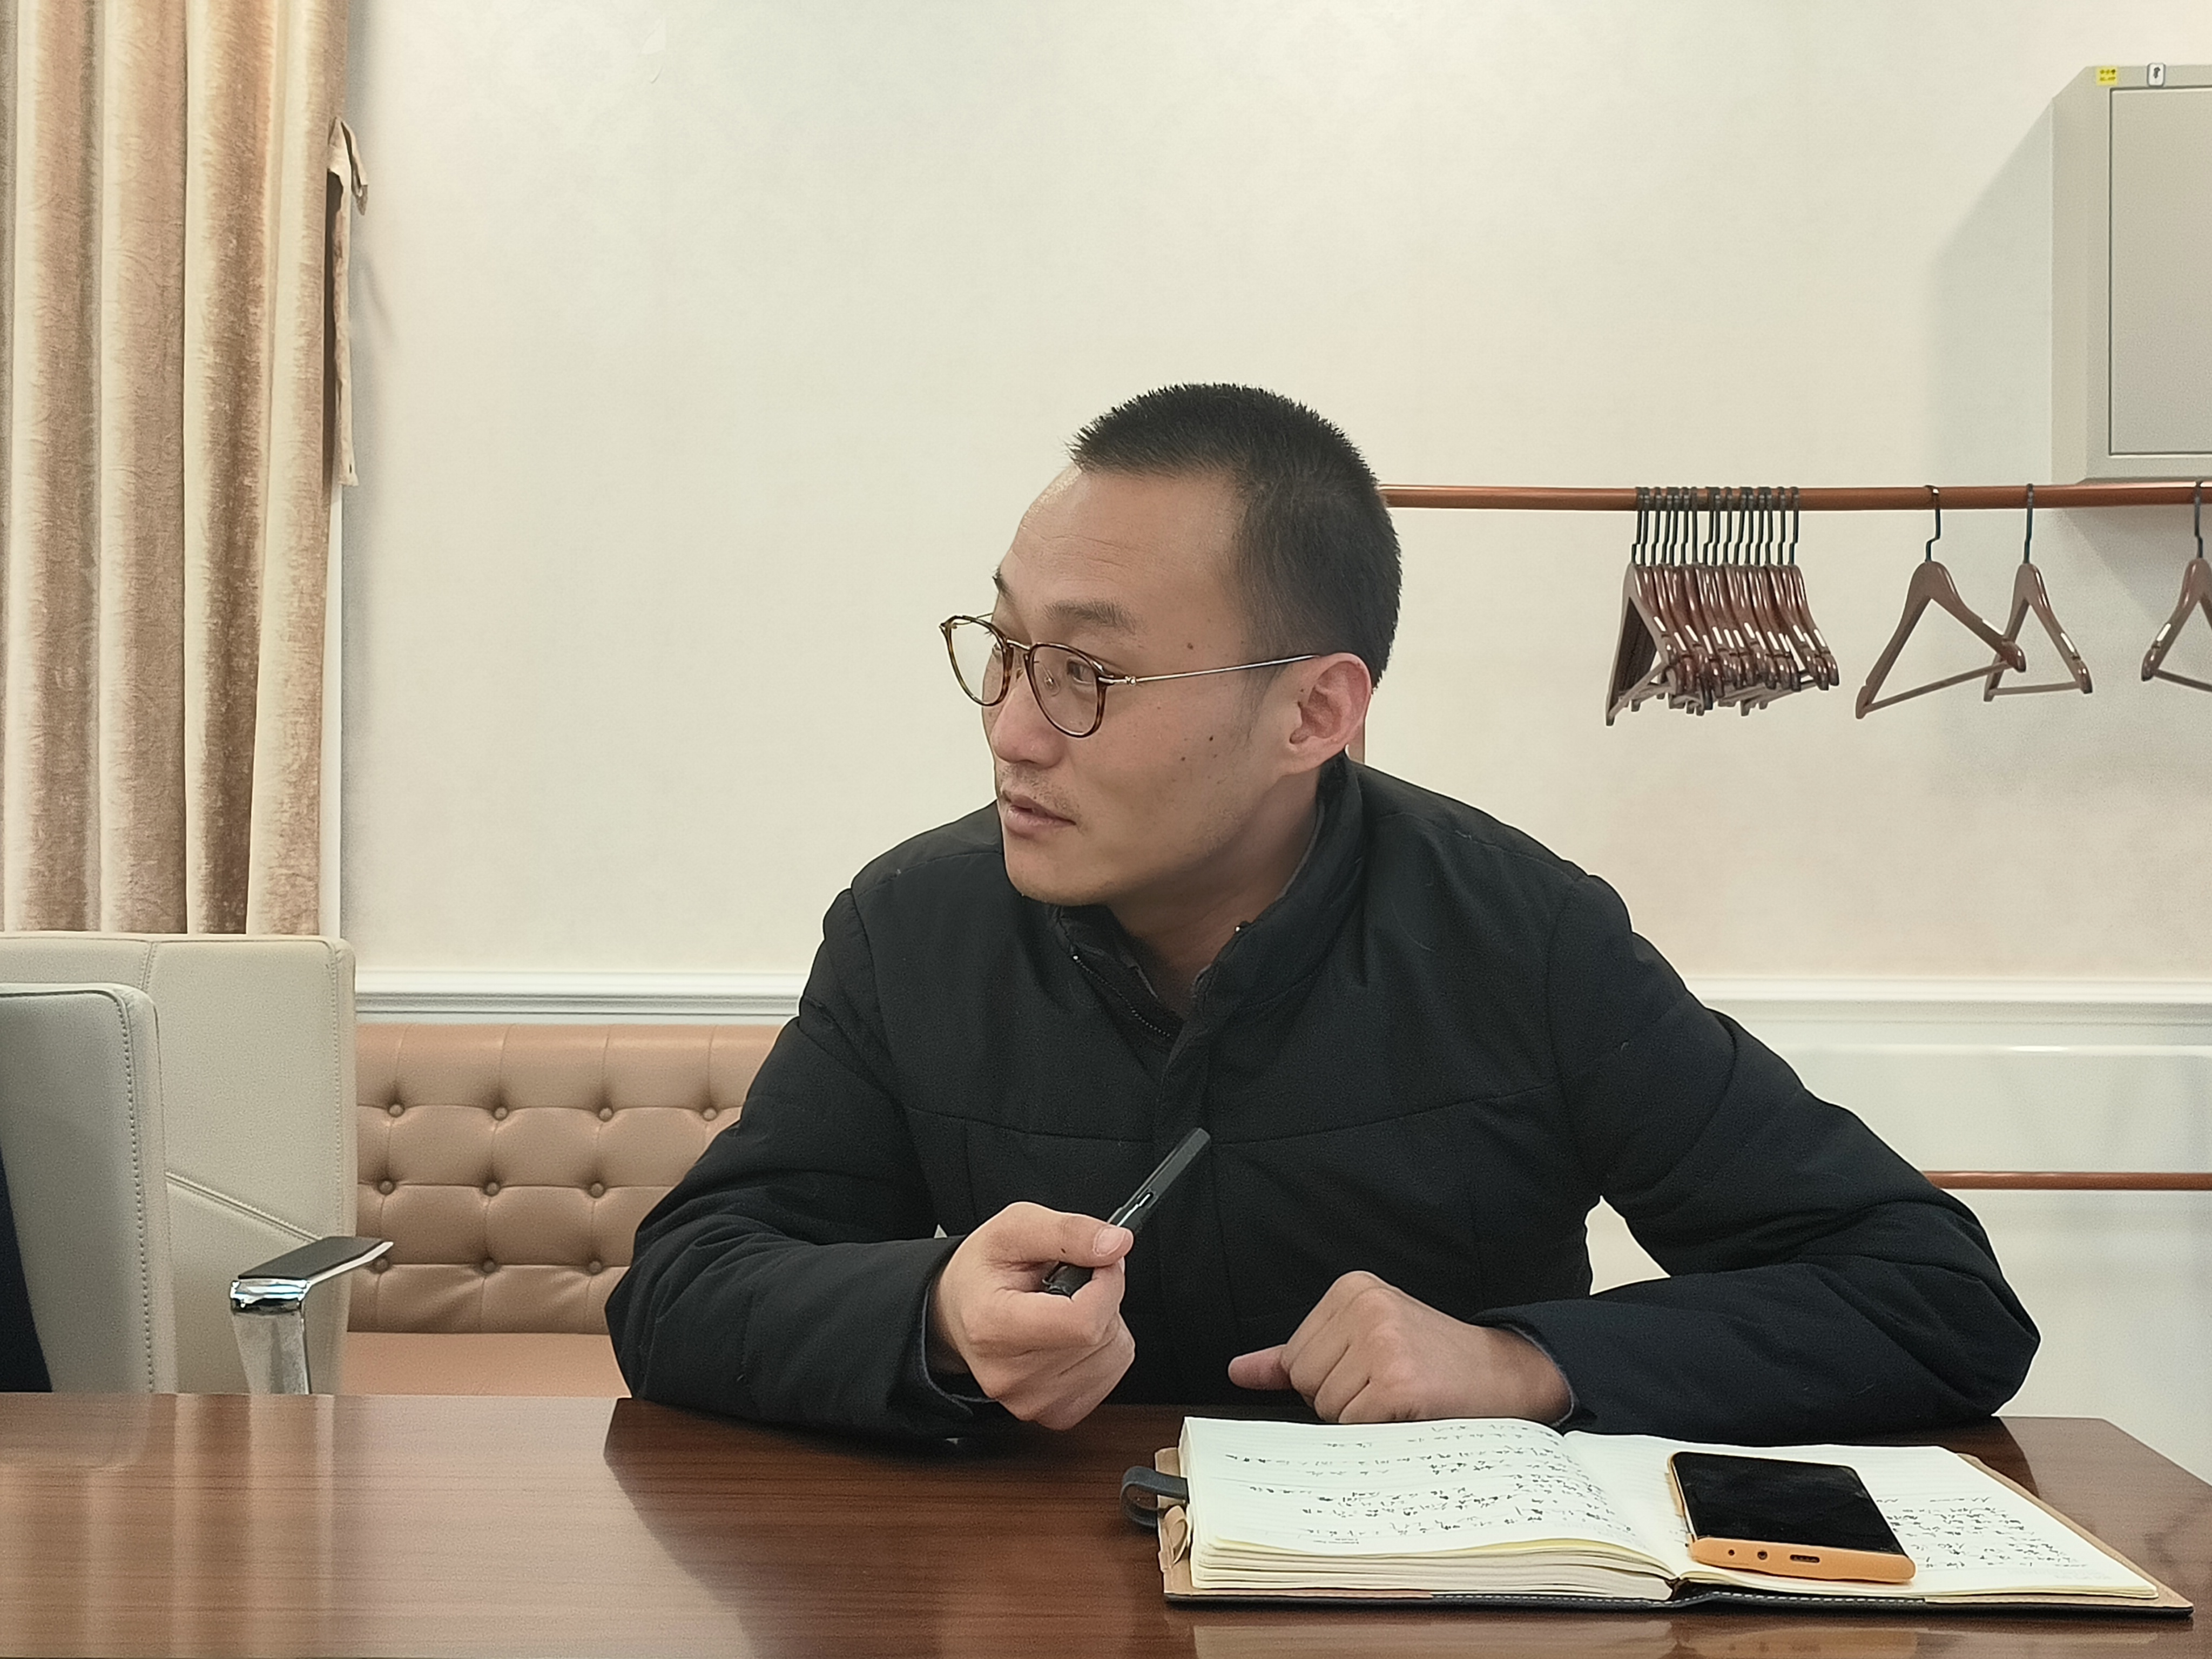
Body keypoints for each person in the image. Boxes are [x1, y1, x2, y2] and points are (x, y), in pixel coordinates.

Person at [608, 383, 2037, 1442]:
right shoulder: (915, 928)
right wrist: (930, 1320)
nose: (1011, 728)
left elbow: (1931, 1297)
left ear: (1312, 713)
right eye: (1003, 647)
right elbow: (680, 1291)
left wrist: (1526, 1365)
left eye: (1086, 675)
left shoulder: (1520, 936)